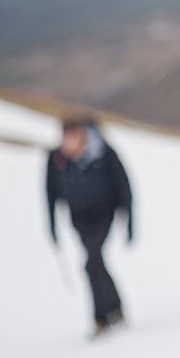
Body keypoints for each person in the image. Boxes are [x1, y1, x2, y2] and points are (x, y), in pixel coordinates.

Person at [46, 113, 133, 338]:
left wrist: (130, 219)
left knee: (91, 261)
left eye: (73, 136)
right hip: (79, 218)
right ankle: (115, 306)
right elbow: (50, 193)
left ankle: (100, 318)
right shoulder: (57, 159)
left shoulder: (103, 153)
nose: (69, 142)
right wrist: (52, 226)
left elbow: (124, 185)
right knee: (95, 262)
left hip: (105, 213)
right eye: (66, 137)